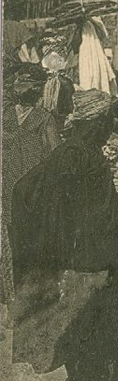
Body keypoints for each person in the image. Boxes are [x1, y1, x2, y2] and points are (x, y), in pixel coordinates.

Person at [9, 90, 118, 381]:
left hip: (107, 245)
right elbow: (25, 189)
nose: (112, 125)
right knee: (83, 316)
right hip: (86, 252)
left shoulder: (90, 149)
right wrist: (61, 240)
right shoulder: (71, 154)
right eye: (107, 120)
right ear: (96, 121)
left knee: (117, 309)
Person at [0, 65, 63, 306]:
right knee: (34, 243)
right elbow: (56, 157)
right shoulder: (44, 119)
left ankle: (12, 295)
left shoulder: (5, 117)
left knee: (11, 242)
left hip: (8, 191)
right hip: (33, 193)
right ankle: (34, 296)